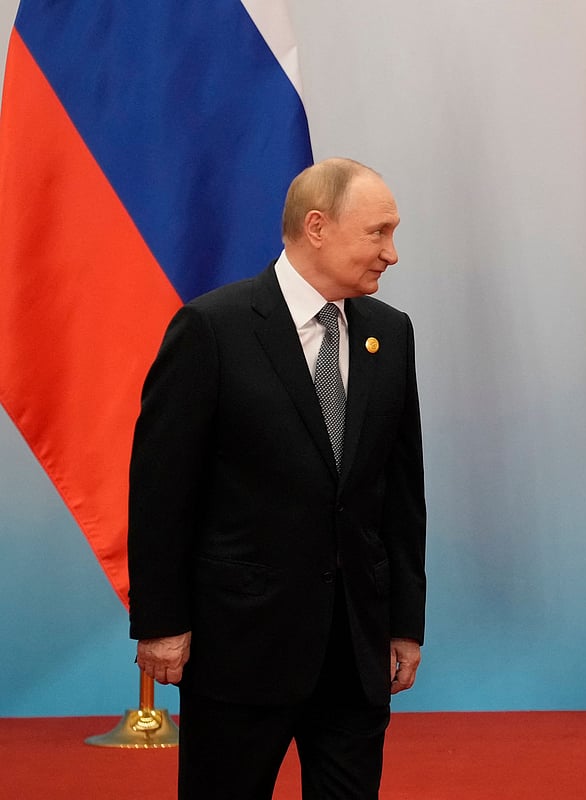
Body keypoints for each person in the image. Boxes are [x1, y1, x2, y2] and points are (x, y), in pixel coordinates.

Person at [128, 157, 427, 799]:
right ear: (317, 227)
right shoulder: (212, 329)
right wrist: (159, 622)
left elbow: (401, 493)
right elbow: (161, 490)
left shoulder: (389, 334)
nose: (391, 254)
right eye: (378, 233)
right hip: (240, 648)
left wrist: (404, 620)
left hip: (354, 649)